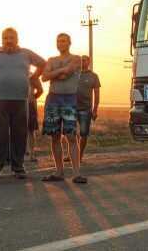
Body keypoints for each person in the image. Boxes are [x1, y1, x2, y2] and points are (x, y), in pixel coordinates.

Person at [0, 27, 45, 180]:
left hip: (20, 100)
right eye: (5, 38)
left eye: (11, 38)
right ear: (2, 39)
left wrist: (33, 77)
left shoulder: (26, 53)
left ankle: (18, 167)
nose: (8, 41)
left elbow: (43, 63)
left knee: (20, 135)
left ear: (17, 39)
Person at [41, 33, 87, 184]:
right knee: (54, 136)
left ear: (69, 43)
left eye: (64, 41)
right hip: (53, 99)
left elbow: (67, 73)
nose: (61, 43)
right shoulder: (51, 60)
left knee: (71, 136)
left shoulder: (76, 59)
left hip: (69, 100)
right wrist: (58, 73)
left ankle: (76, 173)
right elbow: (44, 77)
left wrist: (54, 73)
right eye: (58, 41)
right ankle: (59, 172)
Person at [76, 55, 100, 162]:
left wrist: (95, 110)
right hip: (71, 108)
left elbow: (97, 94)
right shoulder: (74, 74)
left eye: (84, 60)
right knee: (70, 133)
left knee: (83, 133)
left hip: (85, 109)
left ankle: (79, 156)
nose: (82, 62)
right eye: (81, 60)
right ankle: (72, 154)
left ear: (88, 62)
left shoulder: (93, 76)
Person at [27, 76, 43, 162]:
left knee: (30, 130)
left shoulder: (33, 76)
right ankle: (30, 153)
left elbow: (40, 90)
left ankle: (32, 154)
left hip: (29, 104)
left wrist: (33, 97)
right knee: (29, 130)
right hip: (18, 103)